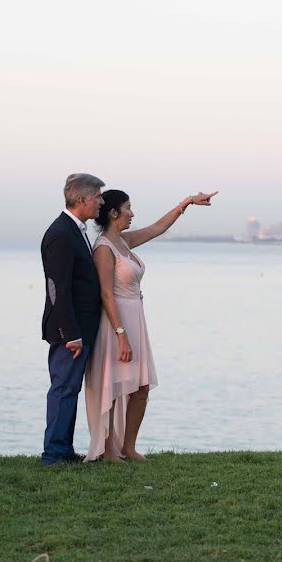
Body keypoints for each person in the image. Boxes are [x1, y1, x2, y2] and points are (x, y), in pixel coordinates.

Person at [85, 189, 217, 462]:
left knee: (140, 388)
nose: (132, 213)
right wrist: (121, 335)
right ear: (113, 213)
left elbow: (158, 228)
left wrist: (186, 203)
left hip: (136, 319)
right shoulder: (103, 248)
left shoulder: (124, 241)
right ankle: (108, 449)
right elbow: (106, 293)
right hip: (115, 324)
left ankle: (129, 446)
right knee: (114, 384)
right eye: (128, 208)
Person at [40, 173, 105, 466]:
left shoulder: (76, 230)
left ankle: (63, 449)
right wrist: (70, 334)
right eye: (97, 197)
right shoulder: (60, 234)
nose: (101, 202)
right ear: (82, 200)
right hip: (69, 331)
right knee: (63, 388)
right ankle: (54, 454)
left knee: (70, 389)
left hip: (81, 328)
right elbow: (58, 289)